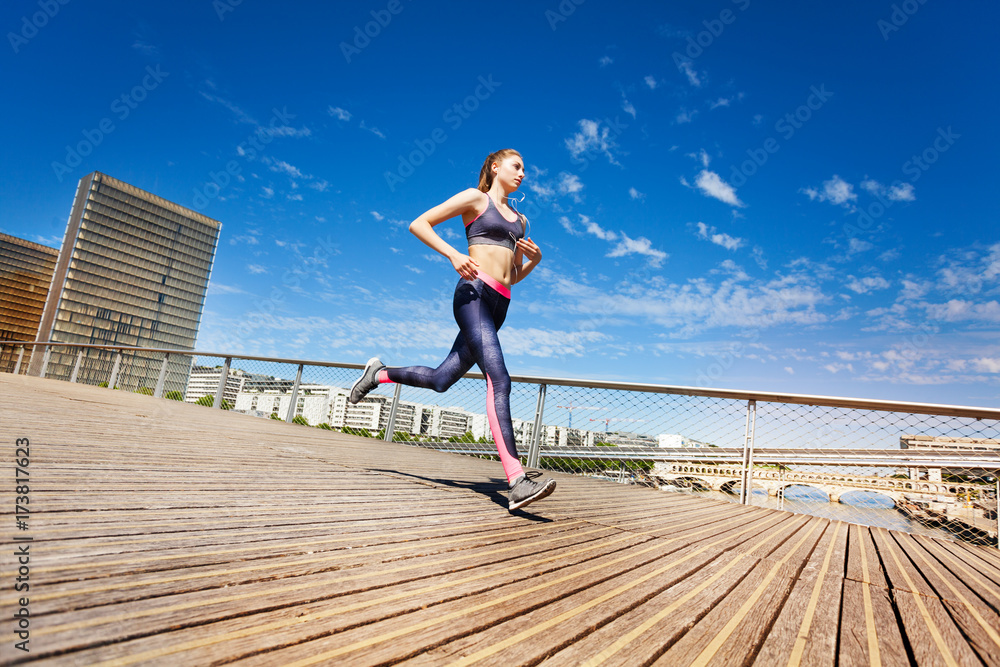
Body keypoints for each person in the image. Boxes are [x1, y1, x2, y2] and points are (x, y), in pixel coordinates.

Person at [349, 148, 556, 512]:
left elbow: (513, 276)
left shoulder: (522, 220)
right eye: (516, 166)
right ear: (495, 167)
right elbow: (419, 223)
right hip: (473, 295)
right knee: (500, 380)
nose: (523, 173)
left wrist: (534, 262)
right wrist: (453, 254)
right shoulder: (475, 199)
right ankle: (516, 480)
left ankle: (378, 374)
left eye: (525, 169)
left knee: (441, 379)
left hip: (500, 303)